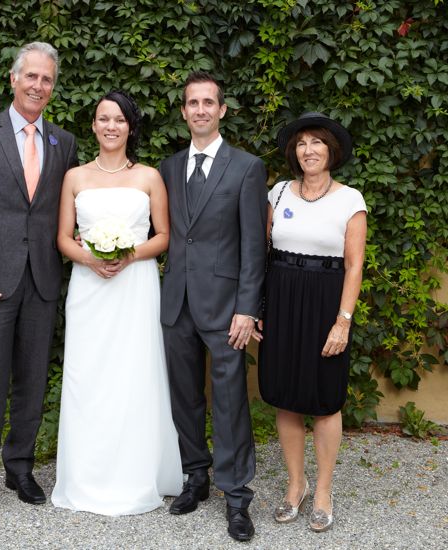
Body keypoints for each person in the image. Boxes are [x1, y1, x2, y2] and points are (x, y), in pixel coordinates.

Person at [0, 42, 78, 525]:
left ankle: (20, 467)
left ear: (53, 87)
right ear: (13, 79)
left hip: (42, 279)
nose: (38, 86)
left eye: (47, 79)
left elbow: (67, 212)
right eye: (31, 77)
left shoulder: (63, 142)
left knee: (32, 380)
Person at [51, 91, 183, 515]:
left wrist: (128, 255)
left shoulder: (149, 177)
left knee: (133, 373)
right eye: (103, 118)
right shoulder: (74, 177)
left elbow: (164, 236)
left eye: (119, 120)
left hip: (135, 285)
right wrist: (89, 257)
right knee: (88, 376)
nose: (111, 126)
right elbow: (62, 237)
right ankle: (86, 475)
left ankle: (135, 472)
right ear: (93, 125)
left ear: (130, 127)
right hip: (89, 287)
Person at [159, 72, 268, 542]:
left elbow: (254, 245)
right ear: (184, 112)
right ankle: (195, 476)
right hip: (176, 302)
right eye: (192, 103)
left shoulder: (246, 167)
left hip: (227, 307)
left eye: (208, 102)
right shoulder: (167, 168)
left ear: (222, 110)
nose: (200, 110)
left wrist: (248, 308)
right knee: (184, 396)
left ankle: (237, 496)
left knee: (229, 401)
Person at [257, 111, 366, 532]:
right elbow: (263, 253)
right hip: (282, 301)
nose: (309, 150)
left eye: (317, 142)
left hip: (325, 305)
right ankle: (295, 485)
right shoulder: (279, 192)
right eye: (301, 143)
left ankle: (323, 490)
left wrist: (343, 321)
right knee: (286, 395)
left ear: (331, 150)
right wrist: (259, 307)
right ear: (294, 152)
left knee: (324, 398)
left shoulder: (350, 199)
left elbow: (354, 266)